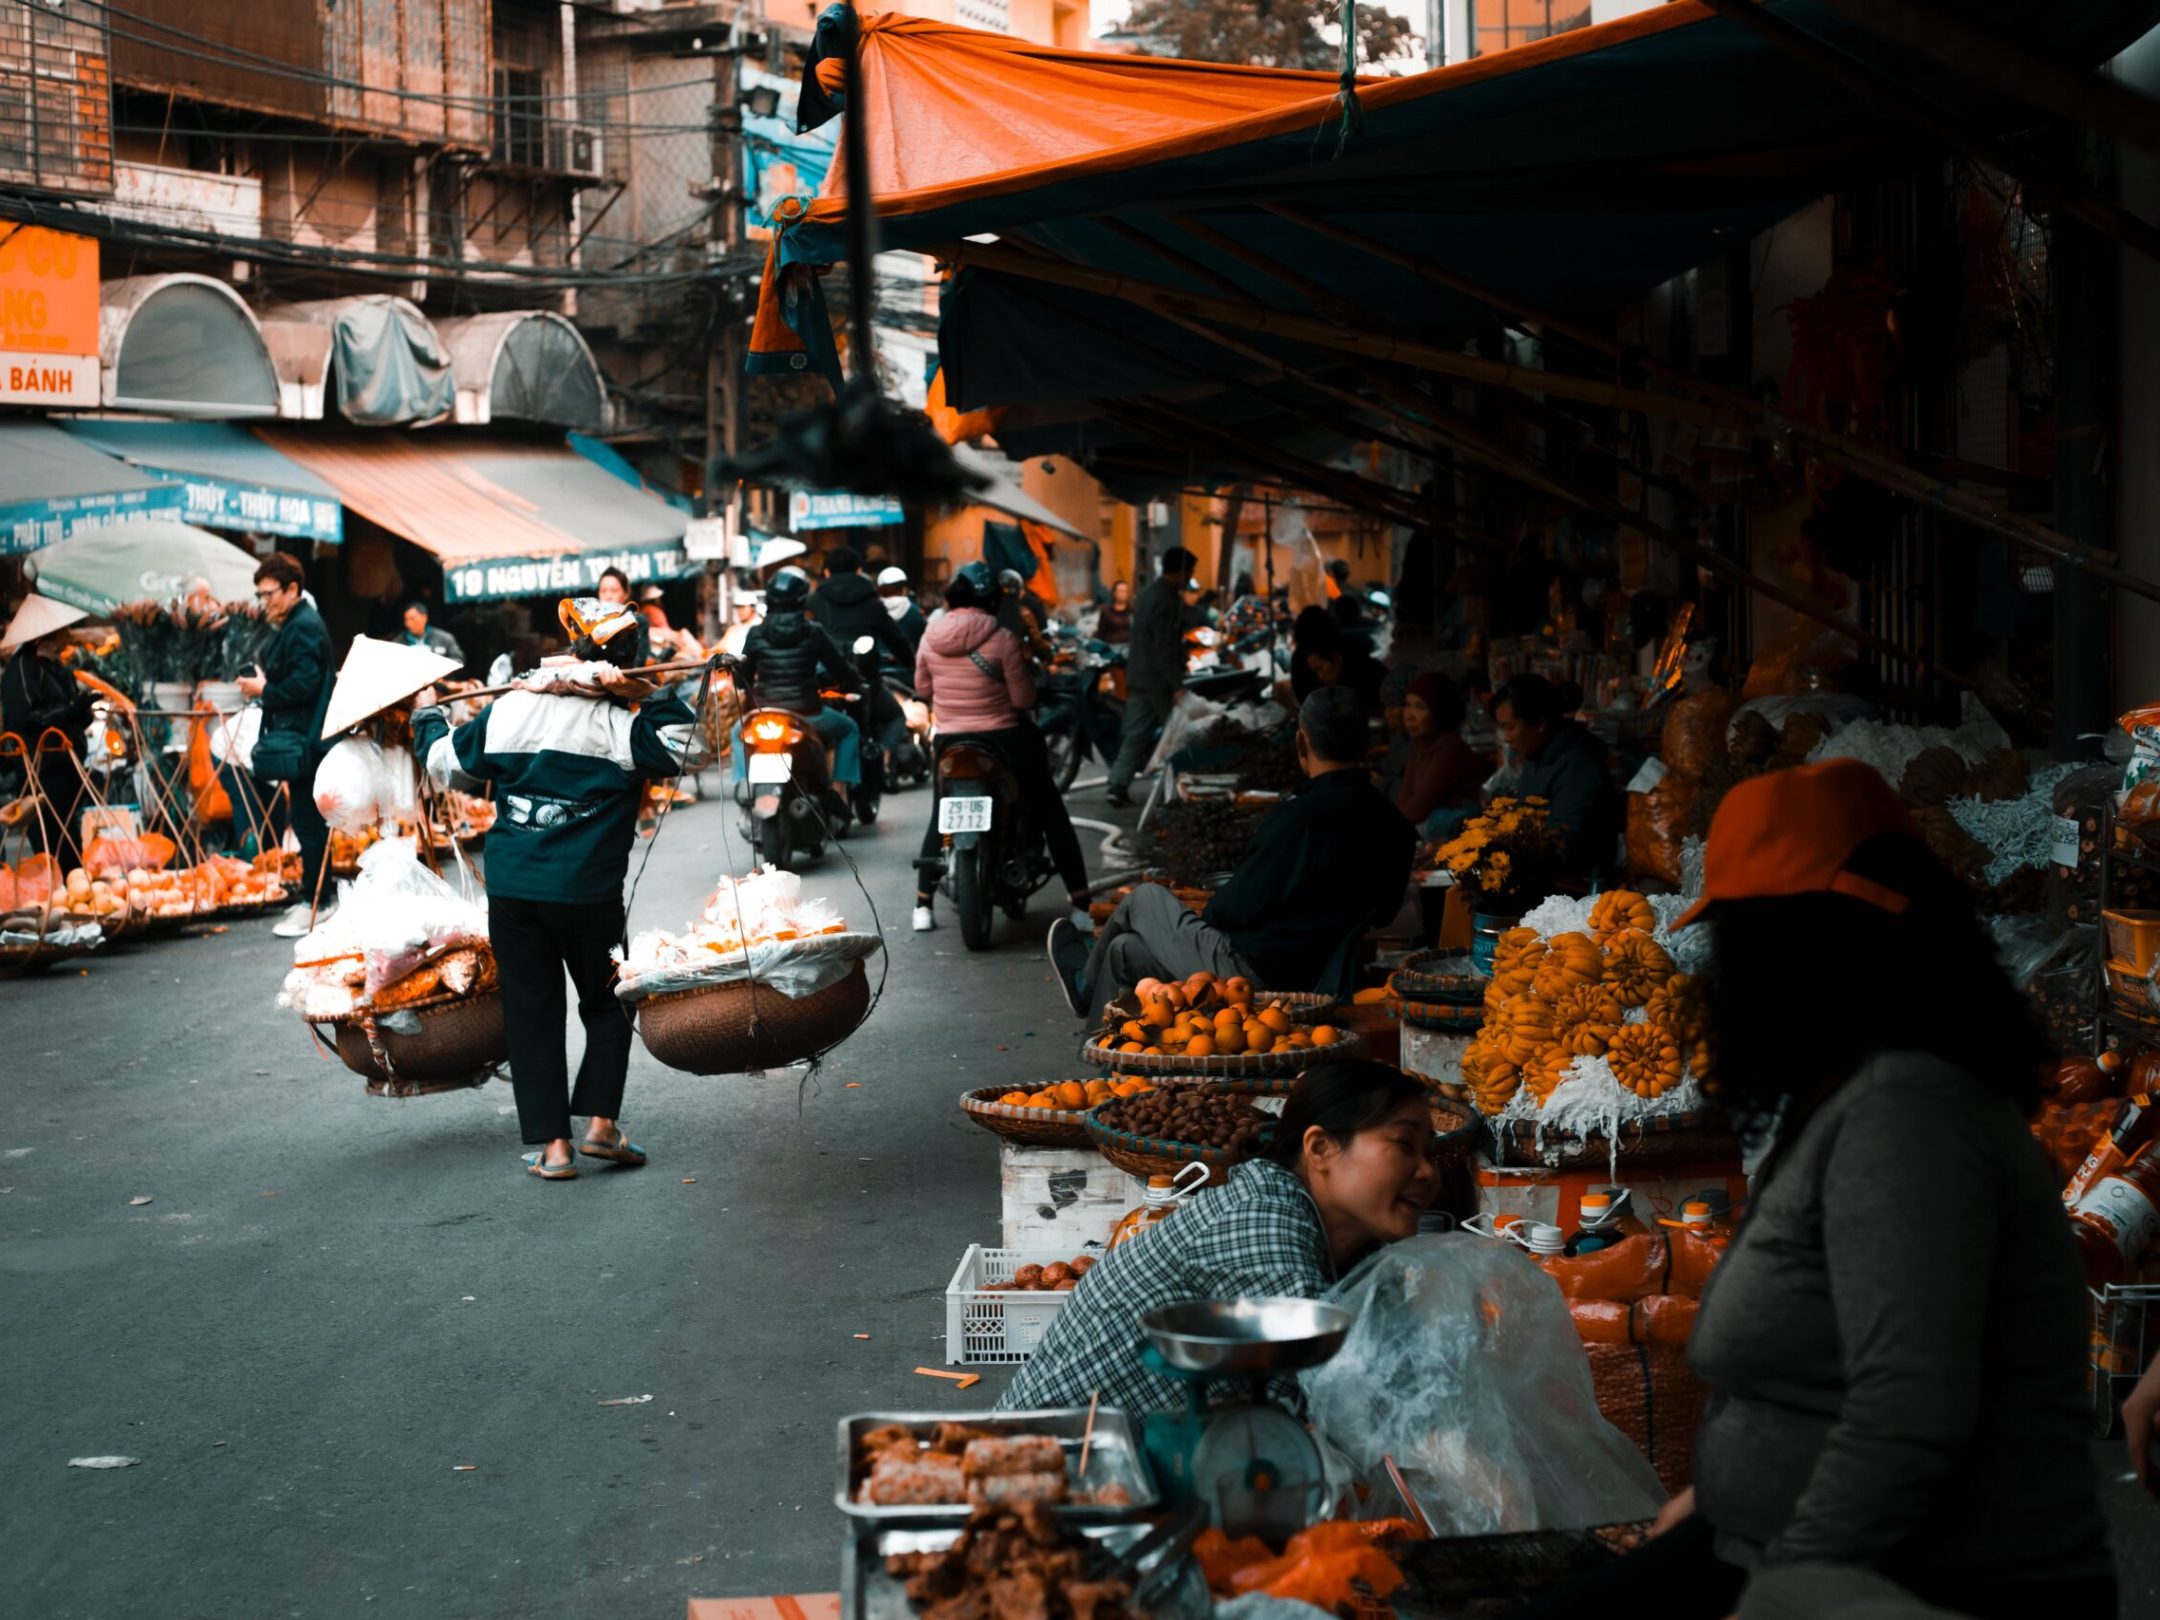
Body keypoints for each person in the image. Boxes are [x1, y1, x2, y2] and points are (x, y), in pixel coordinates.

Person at [1545, 760, 2113, 1620]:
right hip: (1784, 1554)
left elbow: (1908, 1409)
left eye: (1743, 948)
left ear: (1812, 953)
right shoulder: (1856, 1098)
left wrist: (1787, 1585)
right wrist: (1716, 1509)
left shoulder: (1907, 1117)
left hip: (1921, 1589)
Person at [411, 599, 708, 1180]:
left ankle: (554, 1149)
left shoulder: (511, 710)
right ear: (625, 665)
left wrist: (427, 721)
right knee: (607, 1003)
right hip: (589, 896)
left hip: (516, 894)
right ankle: (600, 1125)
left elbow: (443, 766)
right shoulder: (624, 726)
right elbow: (689, 747)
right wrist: (645, 694)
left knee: (532, 1014)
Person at [999, 1060, 1439, 1414]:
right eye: (1404, 1145)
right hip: (1050, 1471)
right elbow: (1341, 1394)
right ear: (1320, 1148)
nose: (1427, 1172)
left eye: (1429, 1154)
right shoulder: (1262, 1222)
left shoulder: (1352, 1246)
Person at [1051, 687, 1413, 1013]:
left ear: (1301, 744)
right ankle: (1108, 1058)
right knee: (1123, 950)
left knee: (1145, 898)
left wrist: (1202, 913)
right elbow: (1383, 913)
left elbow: (1235, 910)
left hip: (1259, 971)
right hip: (1321, 970)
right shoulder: (1393, 823)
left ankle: (1084, 984)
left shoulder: (1298, 817)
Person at [910, 563, 1089, 934]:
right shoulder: (1004, 638)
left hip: (950, 741)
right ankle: (1082, 902)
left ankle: (922, 906)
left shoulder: (930, 635)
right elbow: (1022, 698)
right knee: (1048, 807)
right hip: (1003, 739)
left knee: (940, 811)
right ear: (992, 600)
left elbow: (923, 690)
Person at [237, 553, 335, 937]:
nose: (265, 601)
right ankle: (316, 897)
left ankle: (318, 902)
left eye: (269, 593)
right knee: (308, 821)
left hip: (306, 737)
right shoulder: (294, 623)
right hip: (300, 734)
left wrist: (265, 689)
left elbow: (305, 684)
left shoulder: (303, 625)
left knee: (309, 823)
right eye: (260, 595)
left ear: (292, 588)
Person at [732, 565, 862, 794]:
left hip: (763, 713)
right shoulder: (814, 631)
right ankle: (840, 789)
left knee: (736, 732)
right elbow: (841, 669)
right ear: (802, 598)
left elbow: (741, 680)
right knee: (849, 728)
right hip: (808, 714)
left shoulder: (756, 633)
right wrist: (854, 682)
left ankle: (744, 786)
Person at [1492, 672, 1619, 886]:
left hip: (1575, 887)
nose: (1505, 737)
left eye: (1510, 727)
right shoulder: (1538, 754)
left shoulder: (1578, 765)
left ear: (1539, 723)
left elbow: (1568, 844)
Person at [1, 595, 95, 869]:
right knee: (54, 846)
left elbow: (67, 712)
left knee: (71, 846)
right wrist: (70, 710)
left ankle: (74, 898)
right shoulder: (22, 669)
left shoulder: (56, 668)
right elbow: (28, 718)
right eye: (62, 631)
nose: (68, 636)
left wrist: (82, 712)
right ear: (46, 636)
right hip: (40, 769)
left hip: (65, 768)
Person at [1105, 546, 1195, 808]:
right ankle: (1177, 791)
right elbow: (1164, 647)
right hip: (1157, 681)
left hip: (1139, 674)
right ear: (1180, 571)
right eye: (1189, 571)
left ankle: (1117, 784)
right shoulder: (1166, 600)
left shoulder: (1148, 594)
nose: (1190, 576)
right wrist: (1176, 685)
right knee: (1177, 736)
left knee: (1136, 734)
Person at [809, 546, 915, 762]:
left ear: (827, 573)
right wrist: (909, 661)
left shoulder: (813, 602)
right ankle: (883, 756)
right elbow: (896, 639)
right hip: (864, 679)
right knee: (896, 717)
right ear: (859, 571)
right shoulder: (872, 604)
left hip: (821, 681)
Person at [1395, 673, 1483, 832]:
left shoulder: (1451, 749)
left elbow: (1417, 810)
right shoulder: (1420, 743)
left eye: (1420, 707)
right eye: (1407, 705)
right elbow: (1405, 798)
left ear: (1439, 712)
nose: (1409, 716)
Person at [595, 566, 652, 665]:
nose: (608, 596)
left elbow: (638, 664)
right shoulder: (590, 624)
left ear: (626, 594)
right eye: (603, 591)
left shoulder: (637, 622)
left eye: (614, 590)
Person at [876, 566, 926, 655]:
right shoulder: (914, 611)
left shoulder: (872, 610)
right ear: (904, 588)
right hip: (908, 662)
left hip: (877, 663)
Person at [398, 600, 464, 668]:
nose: (408, 624)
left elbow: (459, 659)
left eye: (412, 619)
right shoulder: (399, 641)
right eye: (406, 619)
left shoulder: (444, 638)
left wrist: (442, 668)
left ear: (424, 618)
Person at [1097, 578, 1133, 645]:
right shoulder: (1106, 612)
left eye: (1125, 591)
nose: (1123, 594)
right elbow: (1101, 634)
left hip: (1129, 648)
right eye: (1120, 591)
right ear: (1114, 593)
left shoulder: (1132, 612)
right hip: (1112, 648)